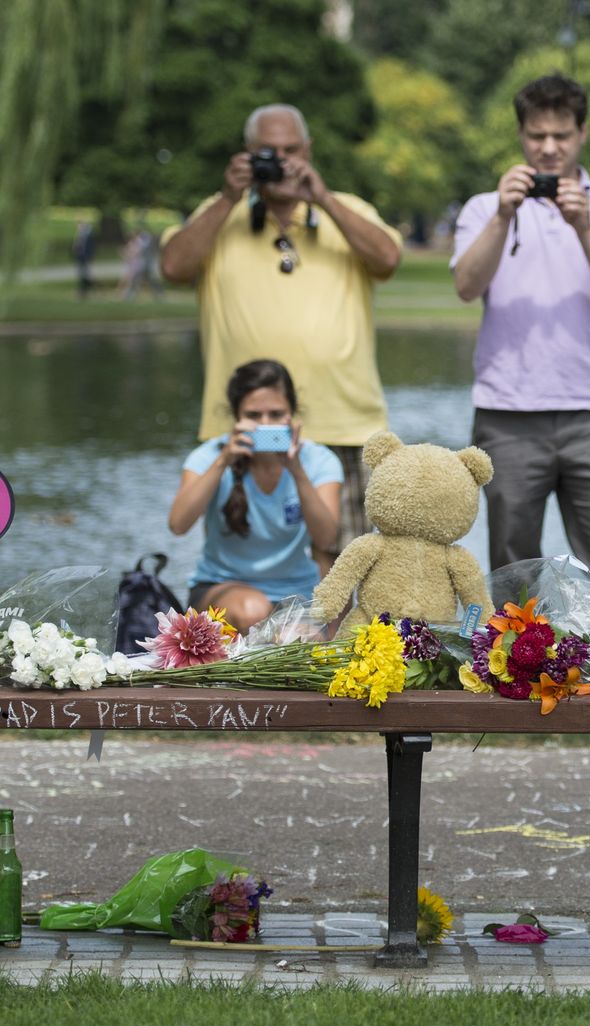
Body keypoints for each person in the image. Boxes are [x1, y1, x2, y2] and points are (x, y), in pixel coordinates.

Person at [160, 104, 403, 562]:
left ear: (308, 151)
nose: (282, 161)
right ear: (247, 155)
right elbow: (173, 266)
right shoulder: (219, 215)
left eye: (291, 151)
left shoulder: (345, 209)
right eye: (268, 152)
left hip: (344, 423)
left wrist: (323, 199)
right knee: (250, 567)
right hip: (246, 426)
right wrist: (229, 197)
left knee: (349, 566)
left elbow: (387, 260)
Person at [449, 73, 590, 610]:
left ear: (582, 133)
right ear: (520, 134)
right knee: (512, 563)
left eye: (560, 136)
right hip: (507, 412)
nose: (548, 148)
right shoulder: (483, 208)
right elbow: (467, 286)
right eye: (537, 135)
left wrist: (585, 227)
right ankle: (512, 674)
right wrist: (502, 214)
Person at [167, 360, 343, 631]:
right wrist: (224, 460)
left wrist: (296, 471)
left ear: (293, 414)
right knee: (253, 611)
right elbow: (178, 525)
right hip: (221, 587)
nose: (265, 424)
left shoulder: (319, 460)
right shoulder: (209, 457)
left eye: (276, 414)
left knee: (302, 636)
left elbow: (326, 537)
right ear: (236, 417)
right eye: (253, 415)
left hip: (297, 592)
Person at [71, 220, 96, 300]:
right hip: (80, 257)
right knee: (82, 274)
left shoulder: (87, 235)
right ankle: (83, 290)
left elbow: (90, 247)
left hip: (85, 257)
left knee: (85, 274)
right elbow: (77, 246)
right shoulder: (80, 235)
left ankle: (85, 290)